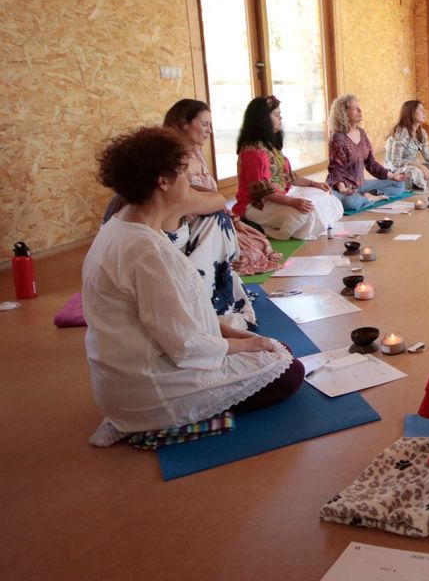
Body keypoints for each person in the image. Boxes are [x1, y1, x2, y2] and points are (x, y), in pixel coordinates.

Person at [83, 127, 303, 447]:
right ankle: (149, 424)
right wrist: (251, 347)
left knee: (276, 350)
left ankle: (139, 418)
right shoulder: (146, 250)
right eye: (185, 174)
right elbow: (186, 347)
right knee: (288, 370)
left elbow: (176, 315)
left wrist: (243, 336)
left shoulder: (125, 226)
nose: (191, 181)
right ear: (163, 181)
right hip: (147, 388)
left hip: (122, 380)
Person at [162, 99, 264, 329]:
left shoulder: (196, 153)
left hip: (207, 217)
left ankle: (219, 273)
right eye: (205, 124)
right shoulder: (171, 160)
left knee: (254, 243)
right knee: (222, 225)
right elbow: (199, 201)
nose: (210, 130)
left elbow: (212, 197)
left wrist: (234, 221)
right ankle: (202, 296)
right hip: (185, 227)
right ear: (184, 124)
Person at [232, 95, 343, 239]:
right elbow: (263, 193)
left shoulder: (270, 145)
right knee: (306, 213)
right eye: (277, 115)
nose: (281, 119)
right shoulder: (253, 151)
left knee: (325, 197)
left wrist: (313, 184)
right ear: (262, 119)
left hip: (281, 196)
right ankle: (269, 230)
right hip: (256, 204)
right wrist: (293, 202)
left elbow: (288, 177)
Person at [325, 94, 408, 210]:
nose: (360, 110)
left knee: (399, 185)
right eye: (355, 108)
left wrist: (393, 176)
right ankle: (371, 198)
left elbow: (371, 163)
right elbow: (336, 168)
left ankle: (369, 196)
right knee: (350, 203)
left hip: (360, 184)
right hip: (341, 188)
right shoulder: (337, 137)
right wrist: (342, 188)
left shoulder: (362, 133)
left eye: (359, 107)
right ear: (343, 113)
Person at [384, 100, 429, 190]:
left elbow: (428, 158)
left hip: (412, 164)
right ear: (411, 113)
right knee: (415, 172)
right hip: (396, 168)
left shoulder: (421, 133)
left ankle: (422, 182)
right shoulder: (402, 132)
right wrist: (419, 166)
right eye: (420, 110)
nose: (424, 113)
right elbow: (395, 162)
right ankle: (417, 183)